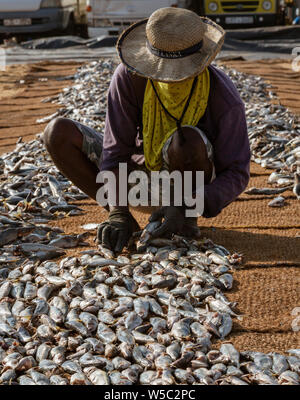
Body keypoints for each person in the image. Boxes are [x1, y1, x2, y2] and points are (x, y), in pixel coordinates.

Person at [43, 7, 251, 254]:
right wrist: (117, 211)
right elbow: (115, 151)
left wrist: (188, 202)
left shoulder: (222, 97)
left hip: (193, 184)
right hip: (138, 178)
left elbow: (237, 171)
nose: (171, 79)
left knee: (187, 139)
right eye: (164, 71)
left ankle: (184, 220)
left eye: (180, 72)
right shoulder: (130, 78)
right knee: (57, 132)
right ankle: (126, 224)